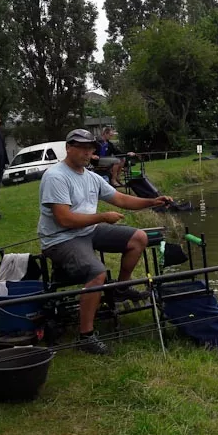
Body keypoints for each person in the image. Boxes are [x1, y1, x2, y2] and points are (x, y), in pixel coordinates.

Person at [38, 129, 173, 354]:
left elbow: (120, 199)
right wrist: (102, 217)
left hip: (88, 230)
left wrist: (152, 201)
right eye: (81, 148)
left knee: (139, 237)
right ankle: (86, 336)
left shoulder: (90, 177)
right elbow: (64, 219)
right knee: (96, 272)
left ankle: (121, 289)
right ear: (68, 148)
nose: (87, 152)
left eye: (90, 148)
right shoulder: (56, 176)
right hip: (60, 239)